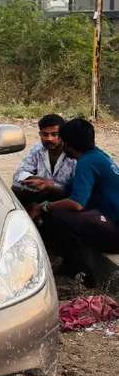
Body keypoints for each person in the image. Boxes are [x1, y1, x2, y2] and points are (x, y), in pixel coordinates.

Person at [32, 118, 119, 282]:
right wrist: (48, 185)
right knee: (59, 208)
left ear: (66, 144)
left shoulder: (86, 163)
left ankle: (78, 270)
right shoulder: (98, 155)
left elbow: (76, 204)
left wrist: (44, 206)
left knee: (58, 216)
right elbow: (68, 189)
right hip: (110, 222)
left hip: (115, 233)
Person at [12, 113, 76, 211]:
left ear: (62, 135)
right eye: (45, 134)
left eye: (54, 134)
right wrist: (36, 179)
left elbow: (76, 190)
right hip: (42, 194)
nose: (49, 138)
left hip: (65, 198)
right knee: (16, 189)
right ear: (40, 134)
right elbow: (19, 174)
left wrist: (50, 185)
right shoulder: (38, 149)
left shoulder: (73, 153)